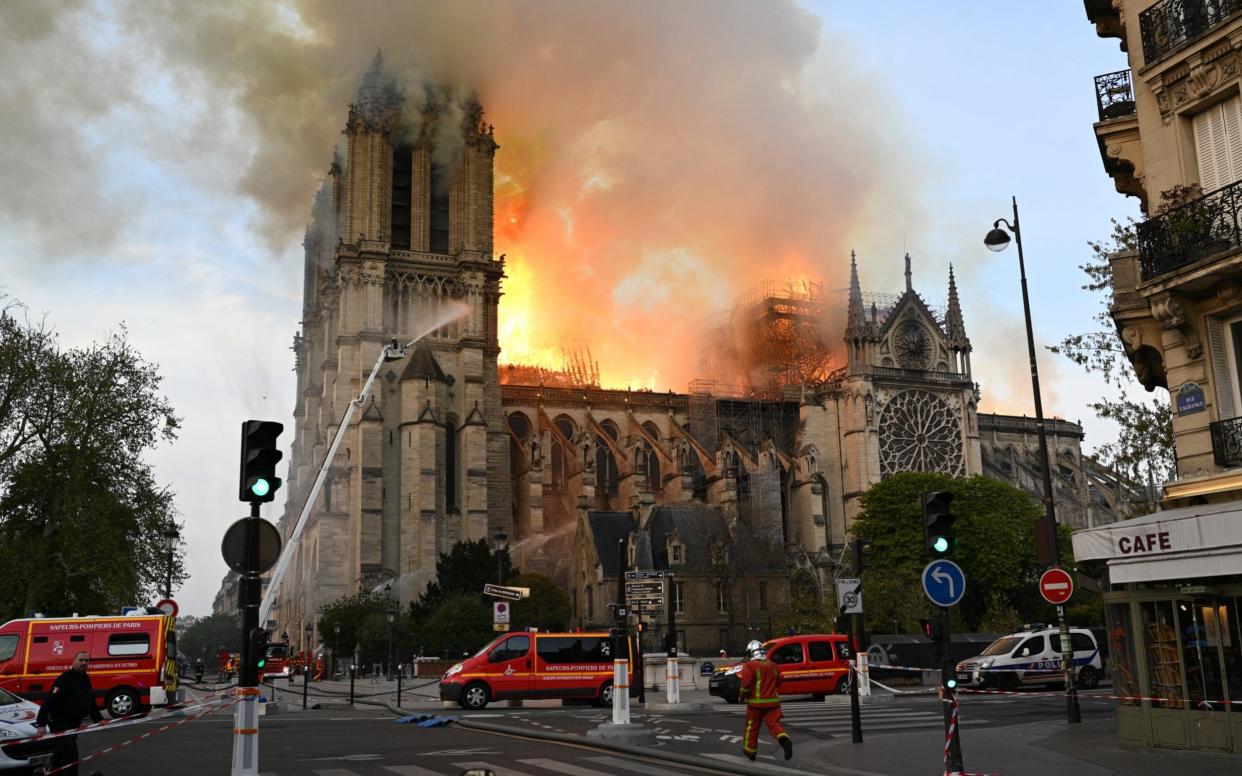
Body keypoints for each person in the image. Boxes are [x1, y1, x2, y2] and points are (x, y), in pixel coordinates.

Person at [35, 650, 103, 776]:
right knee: (70, 752)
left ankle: (47, 772)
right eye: (81, 660)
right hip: (60, 722)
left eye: (86, 661)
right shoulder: (64, 678)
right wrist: (41, 724)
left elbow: (90, 700)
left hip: (74, 723)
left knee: (61, 752)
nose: (84, 663)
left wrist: (99, 719)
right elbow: (49, 701)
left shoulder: (85, 678)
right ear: (73, 661)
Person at [737, 639, 792, 762]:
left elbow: (745, 684)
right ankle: (785, 740)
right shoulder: (772, 665)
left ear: (751, 652)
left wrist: (741, 696)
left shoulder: (750, 666)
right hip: (773, 703)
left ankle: (750, 751)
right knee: (774, 725)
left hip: (755, 704)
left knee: (752, 727)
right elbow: (778, 682)